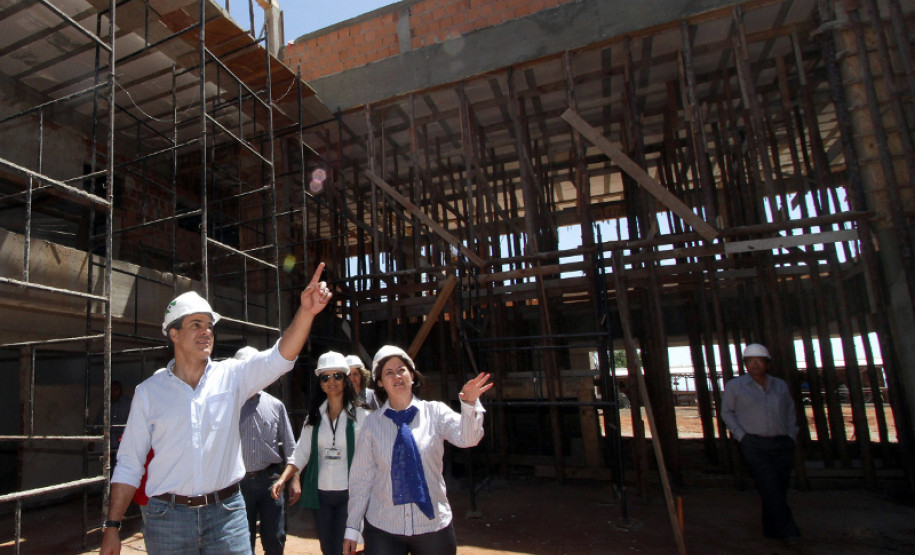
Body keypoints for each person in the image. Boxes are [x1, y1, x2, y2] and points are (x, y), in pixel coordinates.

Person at [100, 263, 333, 555]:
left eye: (209, 325)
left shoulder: (232, 376)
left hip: (226, 516)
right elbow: (130, 464)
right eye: (195, 324)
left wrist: (307, 312)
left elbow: (279, 358)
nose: (206, 332)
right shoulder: (149, 393)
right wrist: (112, 527)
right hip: (167, 519)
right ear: (173, 334)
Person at [343, 345, 493, 555]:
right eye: (389, 372)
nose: (397, 376)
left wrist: (469, 404)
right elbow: (361, 478)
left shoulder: (436, 413)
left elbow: (468, 438)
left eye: (402, 370)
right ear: (380, 382)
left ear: (412, 376)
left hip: (432, 527)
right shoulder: (372, 424)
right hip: (384, 527)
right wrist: (352, 527)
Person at [270, 351, 371, 555]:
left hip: (349, 494)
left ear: (345, 380)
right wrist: (283, 479)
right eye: (325, 377)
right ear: (320, 383)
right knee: (328, 548)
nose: (331, 381)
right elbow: (301, 453)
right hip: (322, 496)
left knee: (344, 547)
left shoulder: (362, 416)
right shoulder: (314, 418)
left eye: (337, 376)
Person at [722, 343, 801, 542]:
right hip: (754, 444)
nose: (755, 364)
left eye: (759, 360)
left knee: (778, 486)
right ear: (745, 364)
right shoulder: (735, 386)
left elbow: (790, 411)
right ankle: (788, 529)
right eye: (750, 361)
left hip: (782, 442)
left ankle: (771, 528)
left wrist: (792, 435)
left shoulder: (780, 385)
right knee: (769, 484)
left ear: (767, 363)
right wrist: (742, 436)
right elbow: (726, 413)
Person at [236, 346, 297, 555]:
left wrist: (294, 480)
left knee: (275, 538)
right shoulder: (228, 406)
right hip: (238, 484)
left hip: (271, 481)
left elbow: (290, 446)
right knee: (242, 540)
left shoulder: (275, 406)